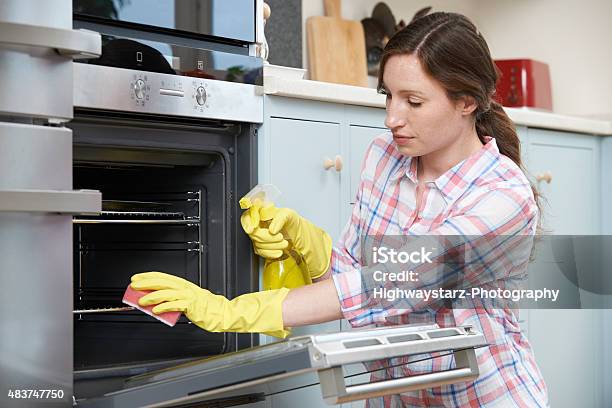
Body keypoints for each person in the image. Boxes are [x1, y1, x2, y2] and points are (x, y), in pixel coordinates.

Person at [130, 12, 549, 407]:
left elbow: (390, 283)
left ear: (467, 102)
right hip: (395, 394)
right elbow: (353, 274)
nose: (392, 118)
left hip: (483, 396)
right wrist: (306, 243)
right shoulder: (385, 157)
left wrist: (233, 311)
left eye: (414, 102)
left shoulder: (504, 197)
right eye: (388, 96)